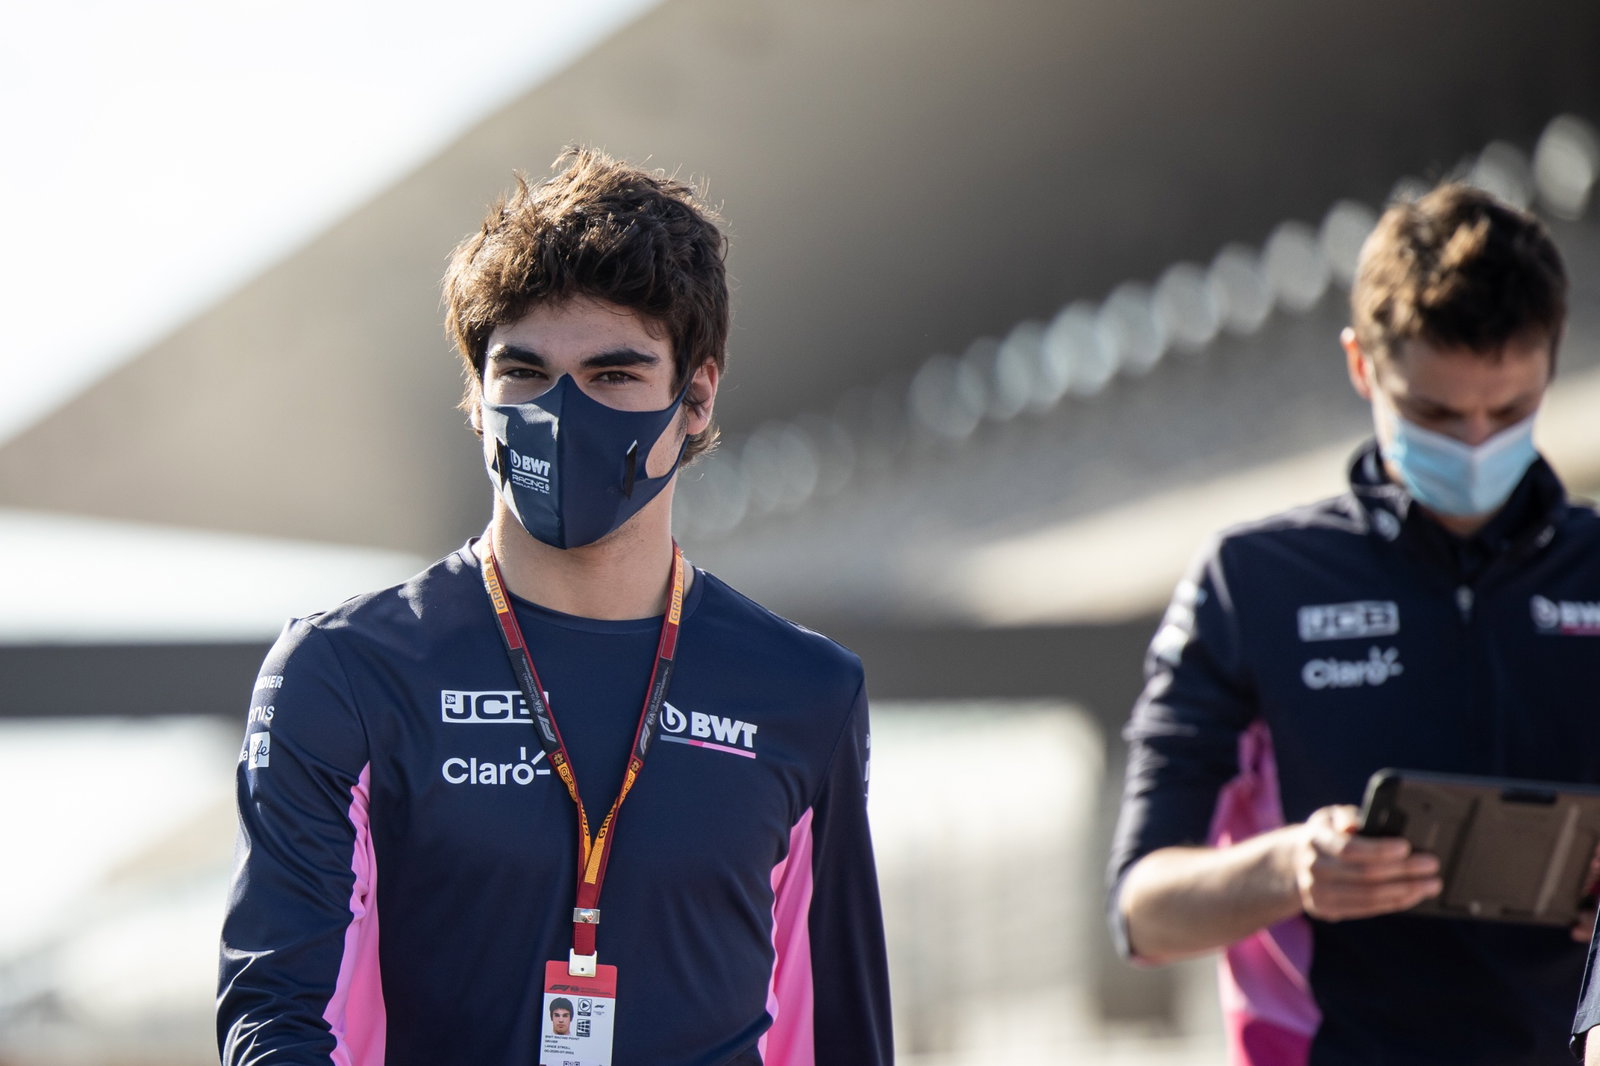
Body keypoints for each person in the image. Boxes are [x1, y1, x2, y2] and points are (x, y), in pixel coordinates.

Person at [217, 146, 893, 1066]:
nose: (562, 412)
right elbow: (277, 1024)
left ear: (695, 396)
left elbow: (839, 1037)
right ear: (477, 394)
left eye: (613, 376)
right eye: (525, 374)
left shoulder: (805, 693)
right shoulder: (344, 674)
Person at [1107, 180, 1600, 1066]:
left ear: (1550, 368)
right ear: (1361, 365)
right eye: (1436, 415)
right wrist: (1293, 870)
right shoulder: (1250, 581)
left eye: (1510, 412)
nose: (1478, 441)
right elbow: (1141, 910)